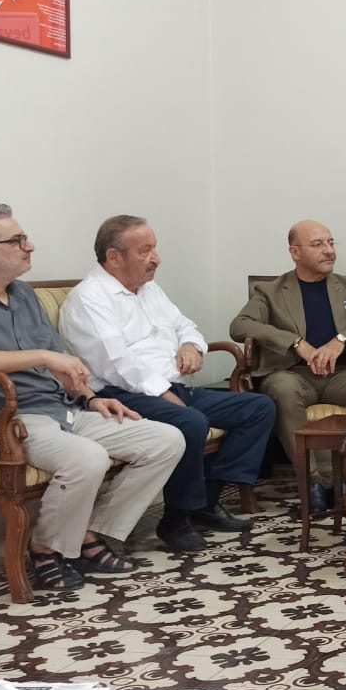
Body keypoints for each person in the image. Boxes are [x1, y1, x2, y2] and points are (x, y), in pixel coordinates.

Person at [0, 203, 183, 591]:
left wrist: (90, 397)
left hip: (60, 409)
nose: (30, 246)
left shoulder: (23, 295)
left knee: (165, 440)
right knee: (87, 458)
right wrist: (40, 356)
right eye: (18, 240)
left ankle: (91, 533)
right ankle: (45, 547)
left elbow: (61, 365)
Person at [59, 216, 276, 552]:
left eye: (155, 249)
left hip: (173, 387)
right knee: (190, 421)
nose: (156, 258)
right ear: (114, 257)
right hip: (122, 394)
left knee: (258, 408)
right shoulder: (90, 299)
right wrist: (163, 394)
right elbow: (116, 364)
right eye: (145, 251)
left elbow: (185, 325)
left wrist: (190, 346)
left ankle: (206, 501)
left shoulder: (150, 289)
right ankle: (176, 519)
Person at [229, 220, 346, 514]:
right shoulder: (271, 291)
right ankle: (315, 481)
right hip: (293, 375)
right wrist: (295, 343)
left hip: (343, 374)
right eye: (318, 245)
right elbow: (240, 325)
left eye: (330, 243)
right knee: (282, 389)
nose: (329, 251)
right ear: (295, 252)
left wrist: (342, 340)